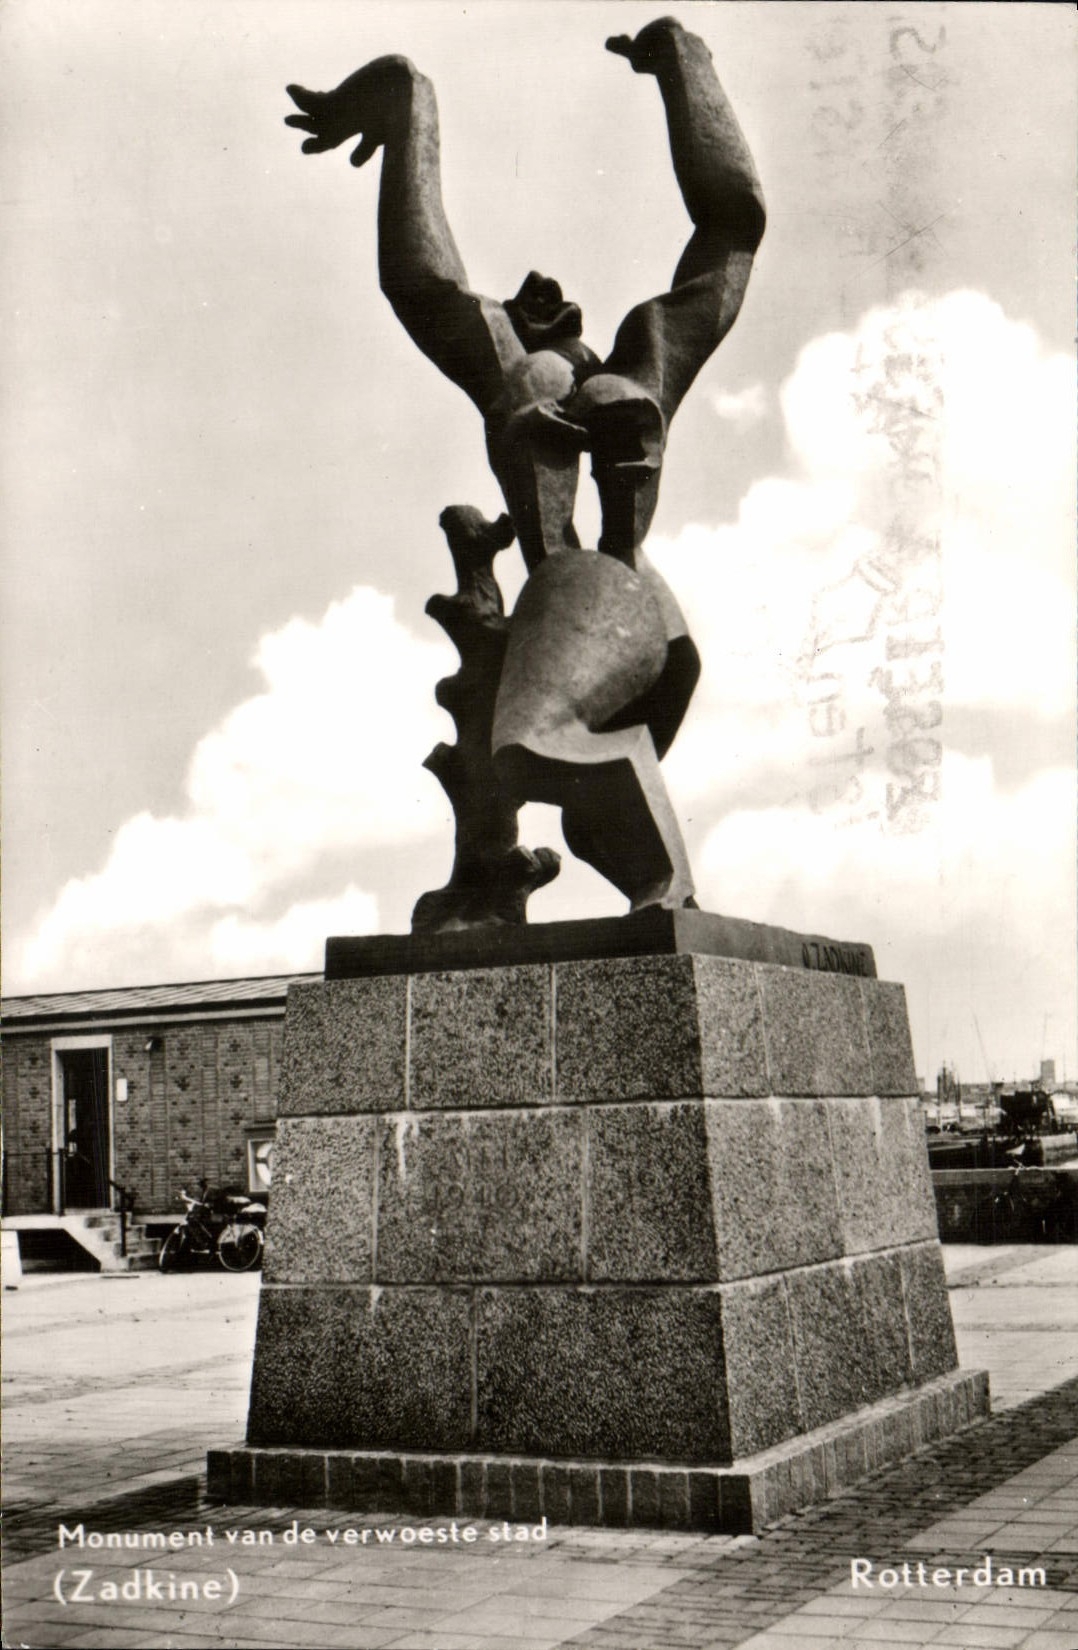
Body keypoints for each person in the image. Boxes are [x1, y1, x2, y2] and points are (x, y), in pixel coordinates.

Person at [285, 17, 765, 912]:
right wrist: (684, 66)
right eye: (523, 297)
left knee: (536, 741)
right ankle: (616, 892)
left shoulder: (537, 377)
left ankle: (668, 887)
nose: (540, 289)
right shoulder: (636, 366)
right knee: (574, 814)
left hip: (590, 596)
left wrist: (409, 112)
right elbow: (731, 232)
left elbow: (422, 283)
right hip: (650, 619)